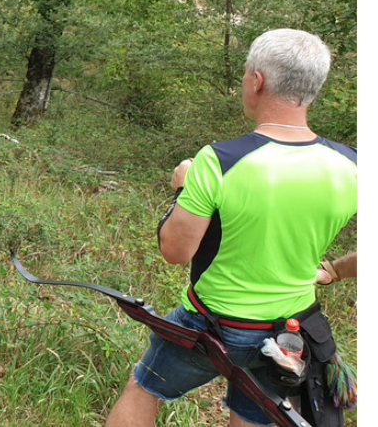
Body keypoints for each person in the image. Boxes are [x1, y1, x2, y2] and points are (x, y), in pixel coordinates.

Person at [103, 28, 357, 427]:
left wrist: (184, 188)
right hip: (289, 333)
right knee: (252, 415)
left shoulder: (221, 160)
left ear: (257, 81)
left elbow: (175, 250)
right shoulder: (352, 166)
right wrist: (337, 270)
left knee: (143, 389)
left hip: (209, 325)